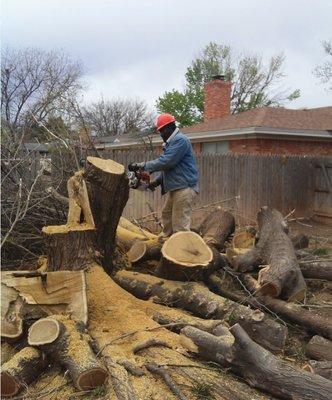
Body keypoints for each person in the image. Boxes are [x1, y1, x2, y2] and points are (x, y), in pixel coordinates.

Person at [128, 113, 199, 238]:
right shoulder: (172, 142)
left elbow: (167, 161)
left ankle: (183, 254)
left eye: (161, 131)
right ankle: (164, 244)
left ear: (169, 128)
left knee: (180, 226)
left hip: (184, 187)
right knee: (167, 216)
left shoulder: (180, 140)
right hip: (176, 187)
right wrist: (156, 182)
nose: (161, 134)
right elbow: (171, 168)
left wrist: (141, 165)